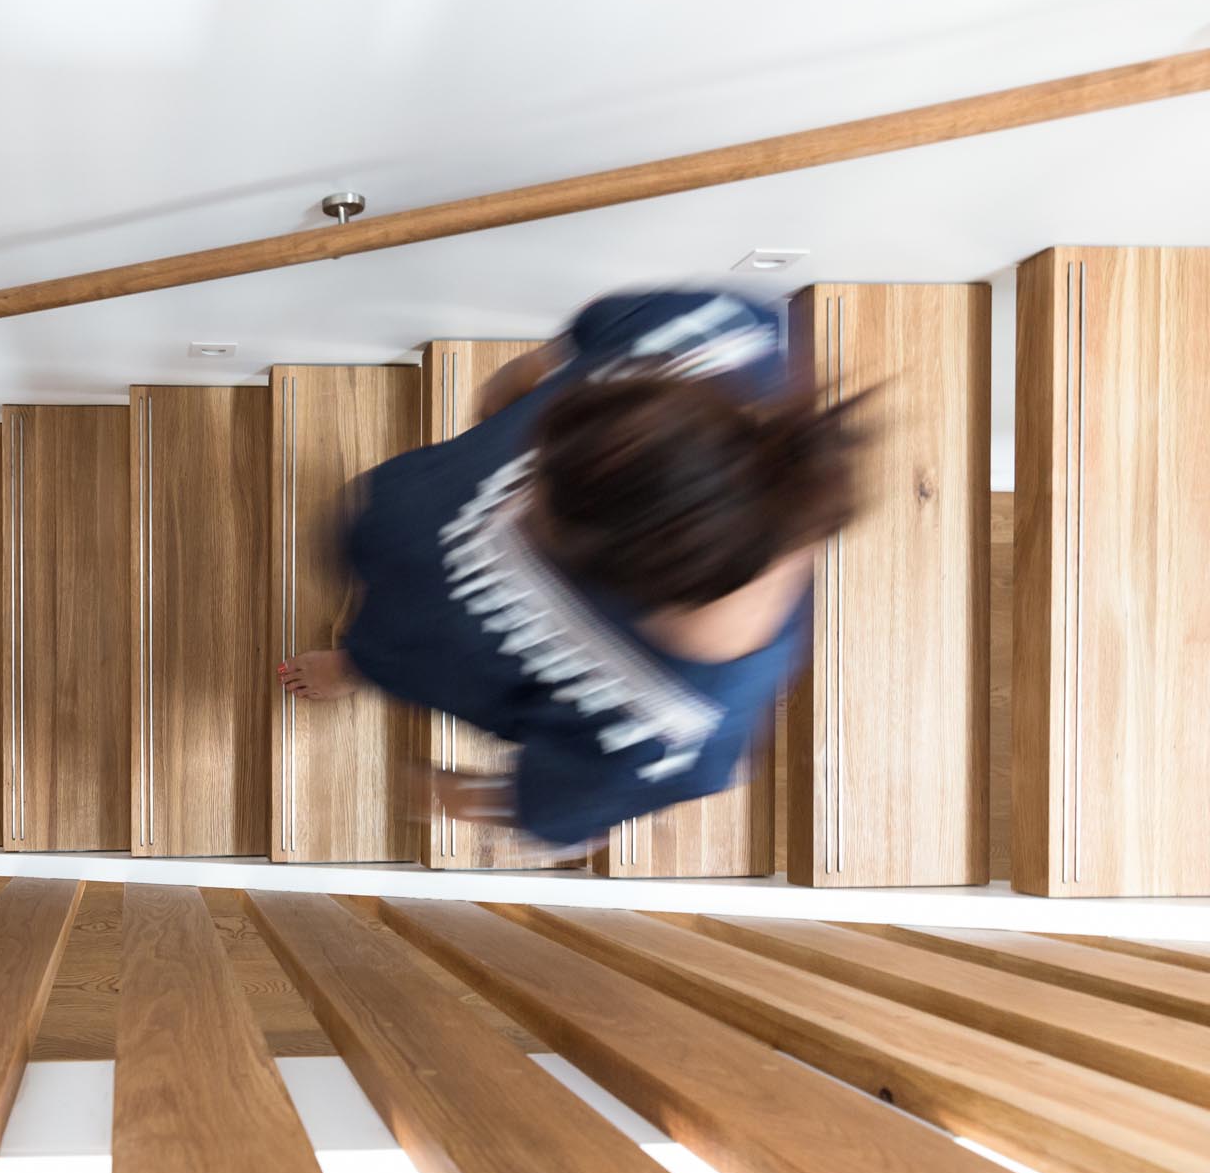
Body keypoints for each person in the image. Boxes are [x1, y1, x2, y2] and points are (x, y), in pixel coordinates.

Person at [276, 287, 863, 850]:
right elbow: (546, 364)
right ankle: (363, 654)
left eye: (540, 515)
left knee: (388, 643)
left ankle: (356, 665)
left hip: (427, 645)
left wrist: (453, 795)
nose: (515, 504)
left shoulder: (675, 734)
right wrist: (512, 397)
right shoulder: (711, 333)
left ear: (621, 586)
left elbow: (555, 810)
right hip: (399, 541)